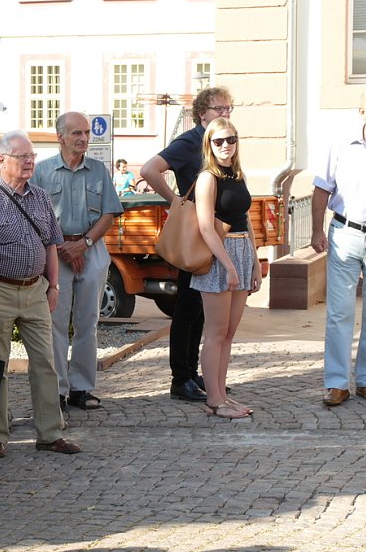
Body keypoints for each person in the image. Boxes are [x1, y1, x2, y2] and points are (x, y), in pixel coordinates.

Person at [0, 130, 82, 459]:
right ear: (1, 160)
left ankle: (50, 433)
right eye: (22, 156)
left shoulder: (40, 197)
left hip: (35, 290)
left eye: (32, 156)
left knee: (46, 363)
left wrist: (53, 285)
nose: (30, 161)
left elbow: (51, 246)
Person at [140, 87, 234, 403]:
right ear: (202, 113)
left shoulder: (220, 141)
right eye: (220, 108)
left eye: (229, 108)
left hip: (215, 235)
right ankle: (180, 379)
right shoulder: (189, 142)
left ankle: (195, 375)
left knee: (203, 310)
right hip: (195, 234)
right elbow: (149, 170)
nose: (226, 114)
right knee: (188, 309)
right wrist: (177, 202)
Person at [32, 112, 123, 411]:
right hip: (55, 251)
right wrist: (63, 247)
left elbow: (109, 214)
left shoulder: (98, 170)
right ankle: (57, 390)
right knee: (55, 323)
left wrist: (83, 245)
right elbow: (32, 215)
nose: (84, 138)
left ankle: (81, 388)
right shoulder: (42, 171)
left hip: (91, 248)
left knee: (88, 323)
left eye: (86, 133)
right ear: (60, 137)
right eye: (76, 133)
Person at [311, 84, 366, 407]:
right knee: (340, 312)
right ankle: (337, 383)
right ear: (363, 112)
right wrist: (316, 231)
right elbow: (321, 190)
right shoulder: (341, 145)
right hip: (345, 235)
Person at [190, 118, 259, 418]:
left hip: (242, 250)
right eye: (218, 141)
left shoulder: (238, 174)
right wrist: (229, 266)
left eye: (230, 139)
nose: (225, 146)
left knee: (229, 333)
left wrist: (254, 261)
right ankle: (214, 401)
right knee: (216, 333)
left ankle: (222, 394)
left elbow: (246, 220)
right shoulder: (208, 177)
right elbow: (206, 227)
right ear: (209, 144)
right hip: (220, 254)